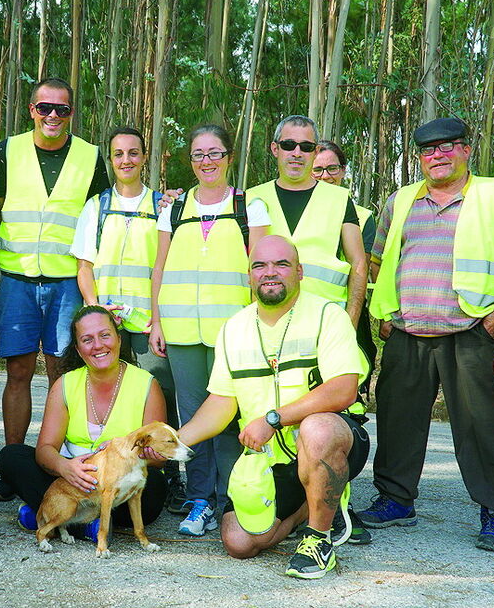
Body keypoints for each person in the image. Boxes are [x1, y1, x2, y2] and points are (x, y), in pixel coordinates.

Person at [363, 117, 494, 552]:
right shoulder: (399, 202)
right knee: (397, 419)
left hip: (471, 330)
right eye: (428, 150)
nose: (438, 156)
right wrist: (388, 310)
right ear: (419, 158)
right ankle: (395, 499)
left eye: (448, 146)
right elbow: (380, 258)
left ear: (466, 150)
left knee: (481, 426)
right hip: (407, 331)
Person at [175, 235, 369, 579]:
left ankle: (319, 536)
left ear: (299, 271)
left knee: (317, 428)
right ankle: (310, 509)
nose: (270, 273)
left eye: (281, 264)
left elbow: (344, 389)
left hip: (330, 442)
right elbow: (221, 402)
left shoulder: (328, 315)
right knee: (238, 543)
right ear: (248, 276)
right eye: (259, 265)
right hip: (270, 460)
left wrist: (274, 418)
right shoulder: (233, 329)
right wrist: (169, 443)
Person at [0, 77, 110, 501]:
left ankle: (64, 462)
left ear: (72, 113)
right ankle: (14, 463)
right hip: (17, 279)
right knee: (18, 372)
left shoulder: (91, 156)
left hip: (66, 282)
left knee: (63, 373)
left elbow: (105, 214)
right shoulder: (8, 150)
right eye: (44, 108)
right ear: (31, 110)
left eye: (62, 109)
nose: (52, 116)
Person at [150, 124, 270, 536]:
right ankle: (199, 498)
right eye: (199, 154)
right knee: (193, 415)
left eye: (215, 153)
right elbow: (160, 268)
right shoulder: (174, 208)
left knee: (229, 415)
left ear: (229, 157)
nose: (207, 162)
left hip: (231, 333)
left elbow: (259, 268)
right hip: (181, 330)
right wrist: (158, 321)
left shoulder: (248, 208)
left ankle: (230, 498)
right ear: (191, 161)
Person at [69, 126, 186, 514]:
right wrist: (94, 311)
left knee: (159, 398)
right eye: (118, 154)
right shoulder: (96, 206)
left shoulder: (163, 206)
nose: (126, 161)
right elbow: (84, 265)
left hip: (147, 323)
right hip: (108, 325)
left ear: (144, 157)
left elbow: (166, 266)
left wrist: (158, 320)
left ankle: (168, 478)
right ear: (111, 159)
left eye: (133, 153)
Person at [0, 305, 168, 535]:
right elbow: (45, 448)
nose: (98, 345)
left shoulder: (147, 384)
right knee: (12, 457)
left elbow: (159, 459)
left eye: (105, 335)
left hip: (120, 487)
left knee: (155, 486)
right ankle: (88, 525)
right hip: (72, 483)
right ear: (78, 349)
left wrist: (127, 452)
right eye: (87, 340)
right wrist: (65, 467)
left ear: (118, 339)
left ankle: (53, 517)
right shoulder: (65, 384)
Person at [311, 139, 376, 546]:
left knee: (346, 415)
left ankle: (341, 504)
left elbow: (363, 266)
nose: (323, 177)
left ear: (344, 172)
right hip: (297, 330)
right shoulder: (287, 204)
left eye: (331, 169)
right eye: (317, 170)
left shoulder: (361, 215)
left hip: (346, 328)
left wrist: (348, 329)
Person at [248, 116, 367, 327]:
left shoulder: (338, 199)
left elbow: (358, 263)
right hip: (269, 321)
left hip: (326, 322)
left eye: (305, 147)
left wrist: (351, 321)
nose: (296, 153)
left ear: (315, 151)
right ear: (275, 149)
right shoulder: (250, 198)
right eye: (288, 145)